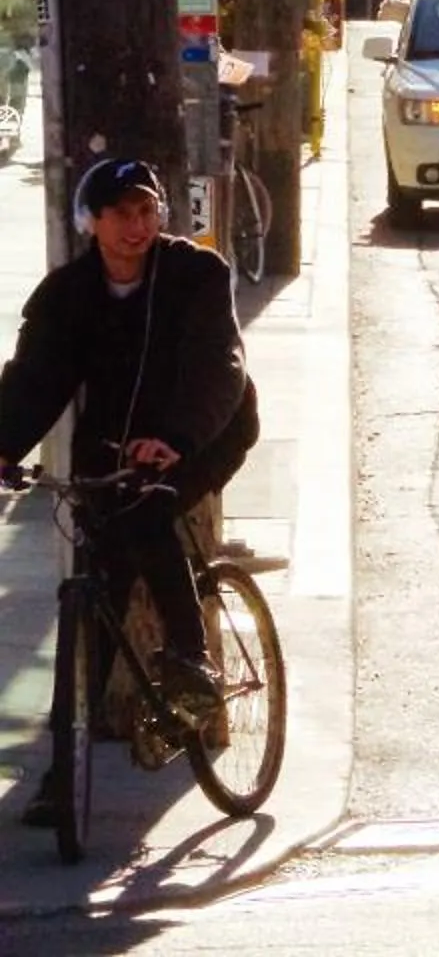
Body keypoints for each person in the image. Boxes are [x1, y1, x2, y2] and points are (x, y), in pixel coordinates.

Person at [0, 159, 259, 828]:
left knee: (148, 512)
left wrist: (176, 436)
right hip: (115, 438)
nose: (136, 226)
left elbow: (220, 366)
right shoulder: (69, 294)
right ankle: (63, 772)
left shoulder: (196, 274)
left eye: (146, 211)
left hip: (206, 427)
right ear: (92, 222)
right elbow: (34, 379)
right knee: (96, 600)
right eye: (121, 213)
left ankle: (192, 661)